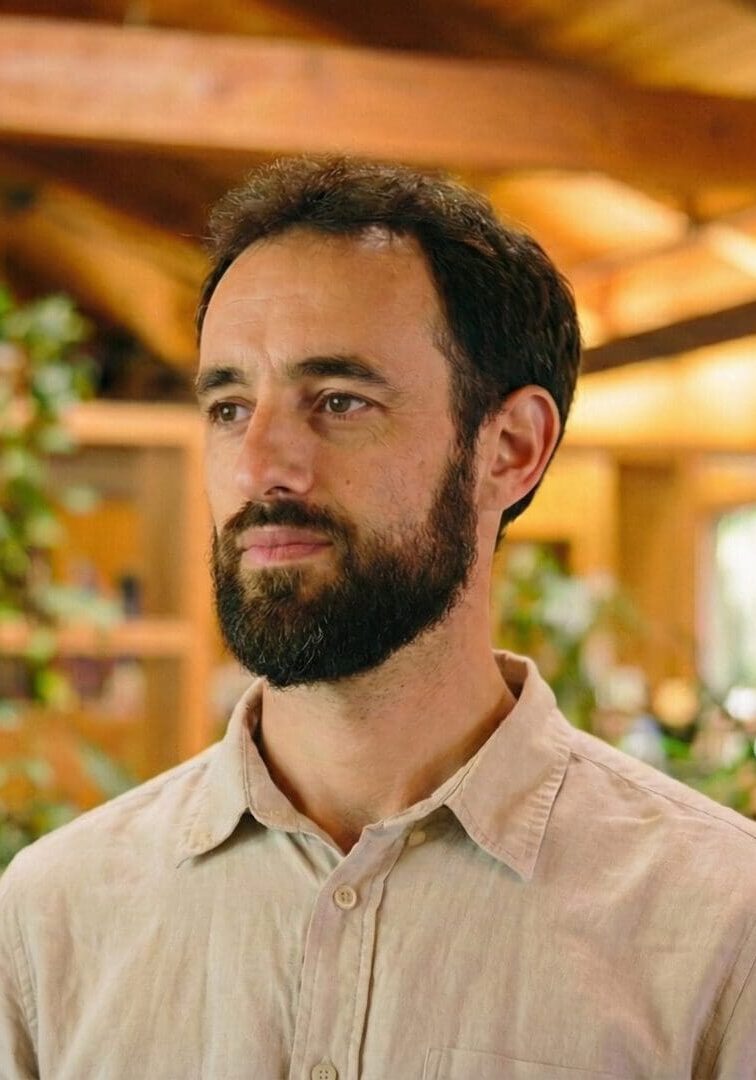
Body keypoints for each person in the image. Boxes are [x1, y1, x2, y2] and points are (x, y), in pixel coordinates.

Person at [1, 157, 755, 1080]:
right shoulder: (51, 917)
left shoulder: (722, 922)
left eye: (340, 401)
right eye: (230, 406)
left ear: (511, 450)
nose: (259, 466)